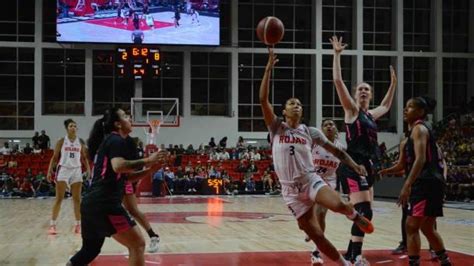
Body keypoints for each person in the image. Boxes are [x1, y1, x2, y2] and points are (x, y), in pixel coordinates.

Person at [260, 48, 373, 266]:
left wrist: (354, 165)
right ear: (284, 111)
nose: (296, 106)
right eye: (292, 103)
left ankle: (355, 216)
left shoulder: (310, 131)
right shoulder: (276, 128)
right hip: (290, 191)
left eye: (299, 104)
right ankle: (343, 263)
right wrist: (267, 70)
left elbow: (338, 152)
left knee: (338, 205)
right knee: (317, 236)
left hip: (310, 181)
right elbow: (263, 99)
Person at [67, 108, 167, 266]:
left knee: (90, 250)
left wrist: (149, 170)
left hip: (91, 204)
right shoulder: (116, 140)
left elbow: (125, 178)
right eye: (125, 116)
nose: (130, 118)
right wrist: (148, 160)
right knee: (138, 245)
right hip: (105, 204)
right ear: (118, 124)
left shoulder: (109, 142)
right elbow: (118, 166)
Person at [331, 35, 397, 262]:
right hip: (353, 166)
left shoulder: (371, 115)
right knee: (364, 213)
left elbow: (386, 105)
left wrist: (393, 84)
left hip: (368, 167)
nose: (363, 92)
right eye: (359, 89)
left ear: (370, 94)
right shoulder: (351, 111)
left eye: (366, 89)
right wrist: (337, 55)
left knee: (365, 213)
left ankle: (350, 253)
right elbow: (338, 83)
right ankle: (356, 257)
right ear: (355, 93)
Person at [397, 96, 451, 266]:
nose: (405, 110)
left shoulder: (419, 129)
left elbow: (420, 160)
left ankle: (414, 263)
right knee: (427, 227)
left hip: (425, 182)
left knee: (411, 226)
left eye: (410, 107)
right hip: (434, 182)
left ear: (421, 112)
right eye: (405, 107)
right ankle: (446, 262)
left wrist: (407, 185)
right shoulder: (424, 129)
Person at [307, 119, 346, 264]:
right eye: (326, 125)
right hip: (311, 180)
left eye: (332, 124)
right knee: (309, 216)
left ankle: (316, 252)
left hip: (328, 183)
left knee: (321, 214)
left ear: (336, 129)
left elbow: (345, 162)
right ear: (321, 130)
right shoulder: (314, 143)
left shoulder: (341, 147)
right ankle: (311, 231)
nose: (329, 126)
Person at [47, 119, 91, 235]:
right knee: (59, 199)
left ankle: (78, 225)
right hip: (64, 169)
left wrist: (88, 170)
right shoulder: (62, 141)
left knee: (77, 200)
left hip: (76, 170)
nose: (73, 128)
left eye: (75, 126)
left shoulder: (80, 141)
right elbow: (55, 157)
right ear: (67, 128)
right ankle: (52, 225)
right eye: (71, 126)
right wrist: (49, 171)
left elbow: (85, 158)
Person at [122, 136, 160, 253]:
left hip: (123, 180)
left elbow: (131, 167)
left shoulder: (128, 149)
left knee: (133, 210)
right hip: (111, 182)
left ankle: (153, 236)